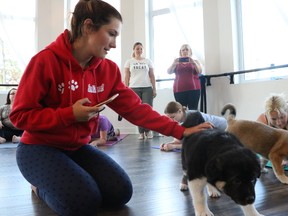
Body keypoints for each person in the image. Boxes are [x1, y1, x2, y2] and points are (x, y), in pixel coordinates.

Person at [9, 1, 213, 216]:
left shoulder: (108, 70)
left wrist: (180, 131)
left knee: (120, 192)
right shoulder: (44, 61)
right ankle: (39, 186)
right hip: (38, 148)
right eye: (111, 34)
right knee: (83, 203)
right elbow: (19, 116)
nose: (114, 44)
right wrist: (69, 115)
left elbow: (136, 109)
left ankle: (66, 178)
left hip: (76, 147)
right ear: (88, 27)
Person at [160, 101, 227, 151]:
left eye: (173, 117)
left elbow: (195, 145)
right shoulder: (182, 119)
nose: (171, 120)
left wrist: (173, 146)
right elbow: (180, 140)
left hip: (224, 127)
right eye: (169, 118)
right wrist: (167, 144)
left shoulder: (193, 117)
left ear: (180, 111)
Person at [124, 42, 156, 140]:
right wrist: (126, 89)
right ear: (134, 50)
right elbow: (126, 76)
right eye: (137, 48)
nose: (139, 50)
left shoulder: (148, 61)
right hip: (134, 88)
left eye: (141, 49)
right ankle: (141, 132)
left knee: (147, 110)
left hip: (147, 88)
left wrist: (154, 88)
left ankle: (148, 131)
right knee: (137, 111)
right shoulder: (129, 62)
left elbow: (152, 75)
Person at [167, 44, 202, 110]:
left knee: (193, 110)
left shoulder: (195, 61)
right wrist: (174, 64)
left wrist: (193, 63)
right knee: (181, 110)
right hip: (179, 90)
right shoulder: (177, 62)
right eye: (183, 50)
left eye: (187, 50)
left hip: (193, 89)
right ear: (180, 52)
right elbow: (169, 72)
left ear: (190, 52)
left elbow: (199, 71)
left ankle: (193, 121)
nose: (185, 51)